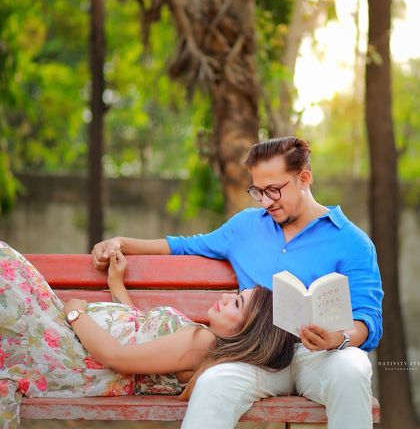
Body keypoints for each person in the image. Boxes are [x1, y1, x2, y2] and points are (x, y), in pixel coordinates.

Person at [92, 136, 384, 429]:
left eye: (274, 190)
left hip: (320, 356)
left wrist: (338, 339)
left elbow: (367, 320)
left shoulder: (353, 242)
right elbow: (185, 246)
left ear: (304, 178)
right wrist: (121, 241)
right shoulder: (246, 226)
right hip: (259, 355)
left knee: (353, 369)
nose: (267, 201)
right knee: (213, 381)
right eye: (258, 191)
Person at [0, 241, 296, 429]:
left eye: (237, 303)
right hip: (69, 338)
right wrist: (117, 285)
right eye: (237, 293)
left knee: (5, 263)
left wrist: (75, 314)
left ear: (247, 333)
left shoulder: (202, 343)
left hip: (67, 345)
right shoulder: (201, 342)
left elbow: (117, 357)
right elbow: (136, 329)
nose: (228, 296)